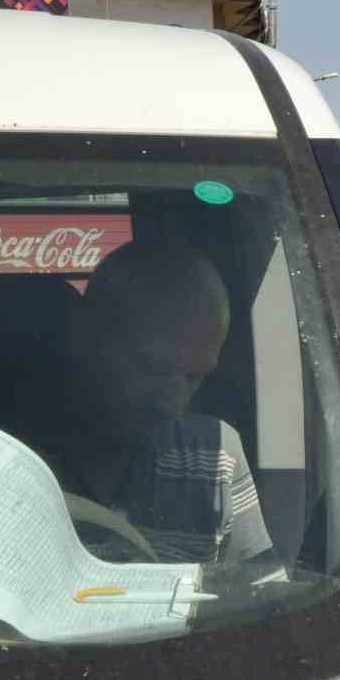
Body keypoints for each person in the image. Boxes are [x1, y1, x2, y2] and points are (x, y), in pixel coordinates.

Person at [56, 241, 277, 567]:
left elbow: (265, 603)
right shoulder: (3, 463)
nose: (173, 405)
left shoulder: (215, 457)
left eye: (194, 378)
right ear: (88, 341)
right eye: (153, 369)